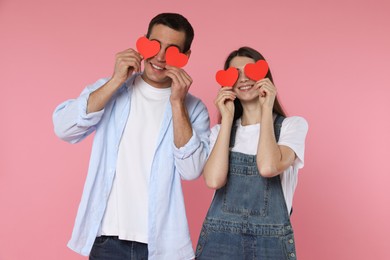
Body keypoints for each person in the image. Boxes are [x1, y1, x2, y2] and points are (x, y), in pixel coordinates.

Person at [53, 13, 210, 260]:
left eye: (171, 51)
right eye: (155, 45)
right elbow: (64, 128)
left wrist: (177, 103)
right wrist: (116, 80)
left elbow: (191, 170)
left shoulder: (194, 108)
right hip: (107, 240)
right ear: (143, 42)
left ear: (186, 56)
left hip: (163, 245)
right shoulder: (110, 89)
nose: (159, 57)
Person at [195, 47, 308, 259]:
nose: (243, 78)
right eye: (235, 73)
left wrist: (266, 109)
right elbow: (213, 180)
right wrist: (227, 118)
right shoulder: (221, 132)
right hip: (220, 241)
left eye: (250, 70)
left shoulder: (291, 127)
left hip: (271, 244)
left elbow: (268, 167)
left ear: (265, 77)